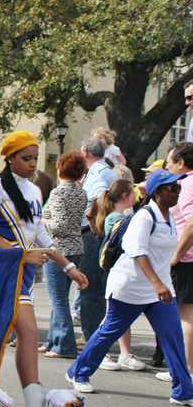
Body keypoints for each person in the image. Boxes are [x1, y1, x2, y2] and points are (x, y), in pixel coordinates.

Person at [0, 131, 89, 407]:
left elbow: (42, 235)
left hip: (19, 275)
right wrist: (23, 255)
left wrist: (70, 268)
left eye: (35, 157)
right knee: (24, 332)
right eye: (26, 158)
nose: (33, 163)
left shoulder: (36, 191)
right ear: (9, 158)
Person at [66, 170, 193, 405]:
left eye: (178, 187)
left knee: (172, 336)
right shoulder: (144, 217)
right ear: (157, 193)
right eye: (172, 188)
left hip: (159, 290)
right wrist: (157, 283)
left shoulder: (170, 218)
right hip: (129, 287)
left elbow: (163, 256)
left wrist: (162, 284)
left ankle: (183, 391)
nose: (177, 191)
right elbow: (137, 252)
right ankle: (78, 372)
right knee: (108, 333)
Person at [90, 179, 147, 371]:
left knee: (120, 315)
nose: (135, 197)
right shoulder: (115, 218)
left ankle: (124, 353)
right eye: (134, 194)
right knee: (112, 316)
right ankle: (101, 353)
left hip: (121, 271)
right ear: (125, 195)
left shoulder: (117, 216)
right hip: (115, 271)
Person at [40, 152, 88, 358]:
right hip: (76, 248)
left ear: (60, 169)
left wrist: (41, 221)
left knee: (58, 299)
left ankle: (64, 344)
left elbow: (58, 226)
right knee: (60, 297)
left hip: (57, 250)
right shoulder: (81, 192)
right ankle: (53, 340)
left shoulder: (59, 193)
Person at [78, 136, 118, 344]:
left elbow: (100, 194)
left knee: (91, 287)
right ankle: (95, 333)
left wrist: (91, 214)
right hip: (105, 232)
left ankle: (92, 336)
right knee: (98, 288)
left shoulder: (96, 173)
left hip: (95, 233)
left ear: (85, 152)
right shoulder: (107, 169)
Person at [167, 142, 193, 382]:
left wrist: (176, 255)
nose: (167, 166)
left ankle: (185, 371)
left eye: (169, 161)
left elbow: (192, 223)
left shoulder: (185, 185)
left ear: (181, 163)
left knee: (185, 314)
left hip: (186, 259)